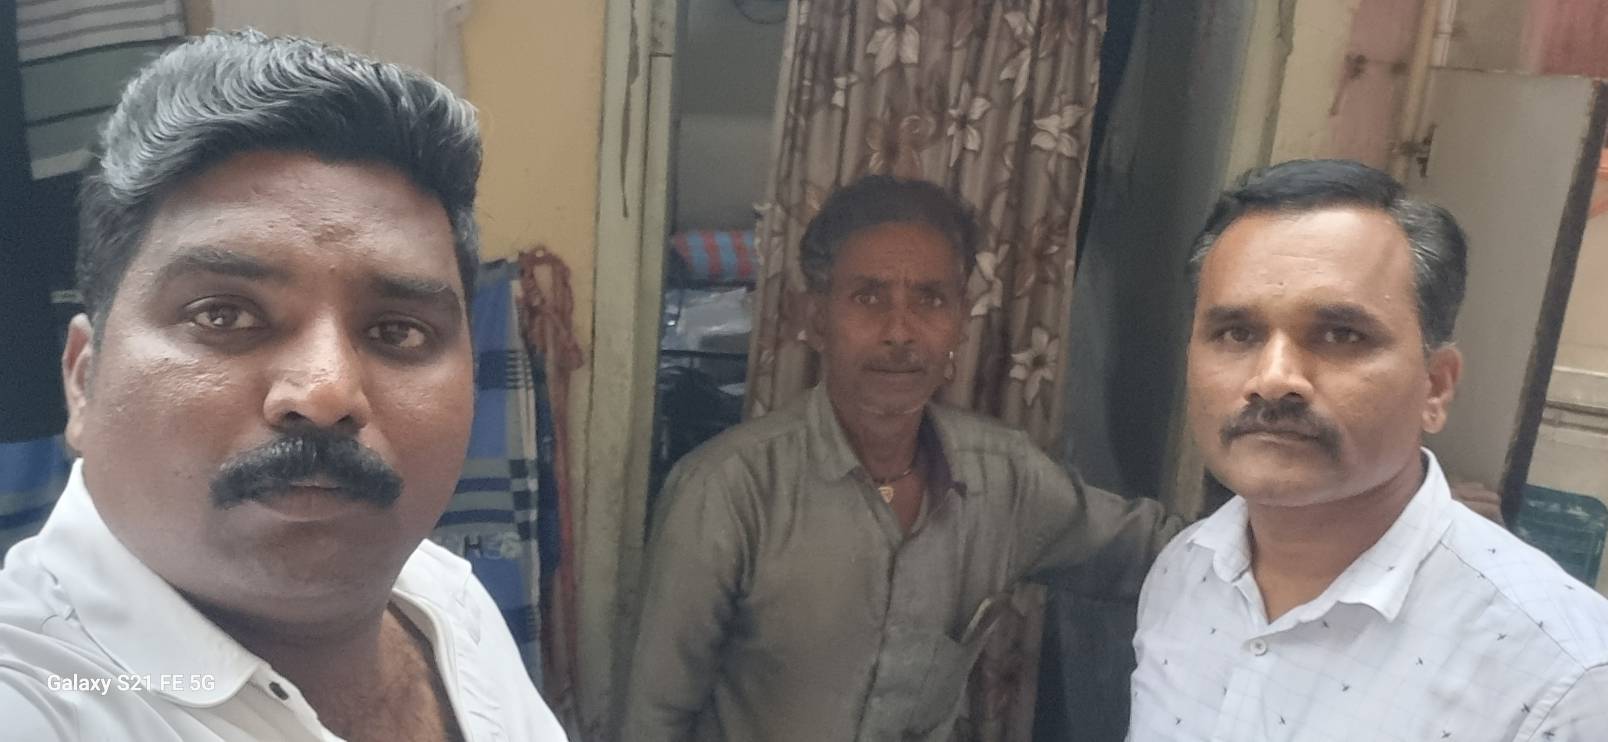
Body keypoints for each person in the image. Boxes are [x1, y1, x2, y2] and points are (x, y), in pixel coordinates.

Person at [0, 31, 568, 741]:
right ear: (84, 378)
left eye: (398, 331)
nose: (326, 393)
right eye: (223, 315)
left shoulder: (450, 600)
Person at [622, 175, 1189, 741]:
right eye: (868, 297)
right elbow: (654, 718)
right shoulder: (727, 492)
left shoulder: (1005, 480)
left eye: (930, 299)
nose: (900, 331)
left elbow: (1159, 554)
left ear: (959, 322)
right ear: (817, 319)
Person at [1128, 159, 1608, 740]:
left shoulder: (1564, 677)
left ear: (1436, 387)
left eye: (1341, 335)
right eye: (1237, 333)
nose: (1273, 379)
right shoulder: (1184, 571)